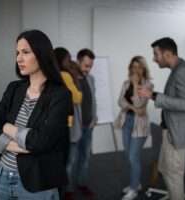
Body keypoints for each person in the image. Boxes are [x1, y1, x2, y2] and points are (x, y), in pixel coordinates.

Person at [0, 30, 72, 200]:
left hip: (37, 182)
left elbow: (41, 141)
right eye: (17, 53)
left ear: (41, 54)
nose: (19, 58)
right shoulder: (14, 89)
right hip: (2, 177)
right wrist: (25, 145)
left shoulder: (60, 95)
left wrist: (8, 128)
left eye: (25, 52)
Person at [137, 37, 185, 200]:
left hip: (177, 131)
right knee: (165, 168)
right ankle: (173, 195)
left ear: (167, 54)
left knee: (174, 174)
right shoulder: (177, 69)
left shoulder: (183, 71)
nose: (154, 58)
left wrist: (153, 95)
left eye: (156, 54)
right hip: (170, 129)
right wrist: (154, 95)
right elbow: (177, 98)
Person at [114, 56, 153, 200]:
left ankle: (133, 189)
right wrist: (131, 106)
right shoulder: (126, 83)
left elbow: (140, 106)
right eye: (133, 67)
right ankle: (136, 183)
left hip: (139, 126)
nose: (136, 70)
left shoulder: (147, 85)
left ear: (143, 69)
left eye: (139, 67)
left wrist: (136, 87)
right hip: (127, 122)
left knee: (133, 157)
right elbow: (120, 101)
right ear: (130, 68)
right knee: (129, 156)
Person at [54, 47, 83, 200]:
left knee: (61, 160)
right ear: (62, 60)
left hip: (57, 123)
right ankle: (65, 192)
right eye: (67, 59)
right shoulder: (64, 75)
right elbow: (76, 98)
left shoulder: (50, 75)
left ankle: (59, 191)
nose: (69, 61)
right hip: (69, 124)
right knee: (70, 160)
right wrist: (78, 87)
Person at [74, 48, 97, 197]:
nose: (88, 69)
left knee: (85, 158)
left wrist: (94, 117)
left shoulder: (91, 79)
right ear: (78, 62)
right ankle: (68, 190)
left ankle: (81, 184)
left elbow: (92, 100)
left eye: (90, 66)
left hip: (88, 126)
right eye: (86, 65)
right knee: (70, 160)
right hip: (74, 128)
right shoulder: (70, 79)